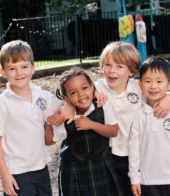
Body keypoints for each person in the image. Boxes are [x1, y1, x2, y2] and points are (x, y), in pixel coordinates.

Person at [0, 40, 72, 196]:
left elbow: (66, 106)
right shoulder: (1, 103)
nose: (19, 73)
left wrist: (71, 106)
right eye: (12, 68)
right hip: (17, 173)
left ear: (33, 68)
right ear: (3, 72)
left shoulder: (43, 97)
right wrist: (5, 175)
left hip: (41, 169)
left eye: (24, 67)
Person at [95, 41, 170, 195]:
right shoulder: (98, 86)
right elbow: (75, 93)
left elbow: (160, 92)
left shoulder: (138, 87)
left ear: (131, 71)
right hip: (110, 154)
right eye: (107, 65)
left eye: (119, 66)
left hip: (139, 153)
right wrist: (92, 94)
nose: (112, 71)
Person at [45, 68, 124, 196]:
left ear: (92, 87)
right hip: (73, 170)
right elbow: (49, 141)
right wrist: (48, 122)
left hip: (100, 166)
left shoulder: (101, 105)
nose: (81, 95)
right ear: (67, 98)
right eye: (73, 92)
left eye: (84, 88)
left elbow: (114, 131)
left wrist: (92, 125)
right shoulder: (65, 115)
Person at [128, 57, 170, 196]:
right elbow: (134, 149)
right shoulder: (139, 114)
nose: (153, 86)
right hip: (147, 181)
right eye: (148, 81)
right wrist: (135, 178)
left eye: (159, 81)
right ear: (140, 85)